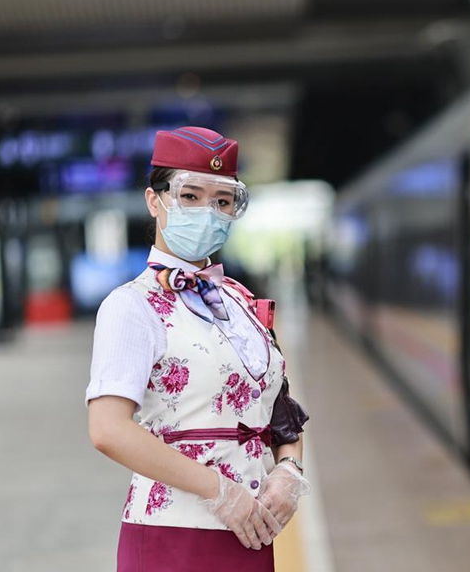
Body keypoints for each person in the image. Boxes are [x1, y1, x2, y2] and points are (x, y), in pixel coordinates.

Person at [85, 127, 310, 571]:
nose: (209, 212)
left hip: (252, 532)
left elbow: (280, 412)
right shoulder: (130, 306)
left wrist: (289, 473)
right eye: (191, 196)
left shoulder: (241, 301)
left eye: (223, 201)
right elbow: (108, 430)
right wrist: (220, 491)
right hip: (173, 532)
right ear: (155, 201)